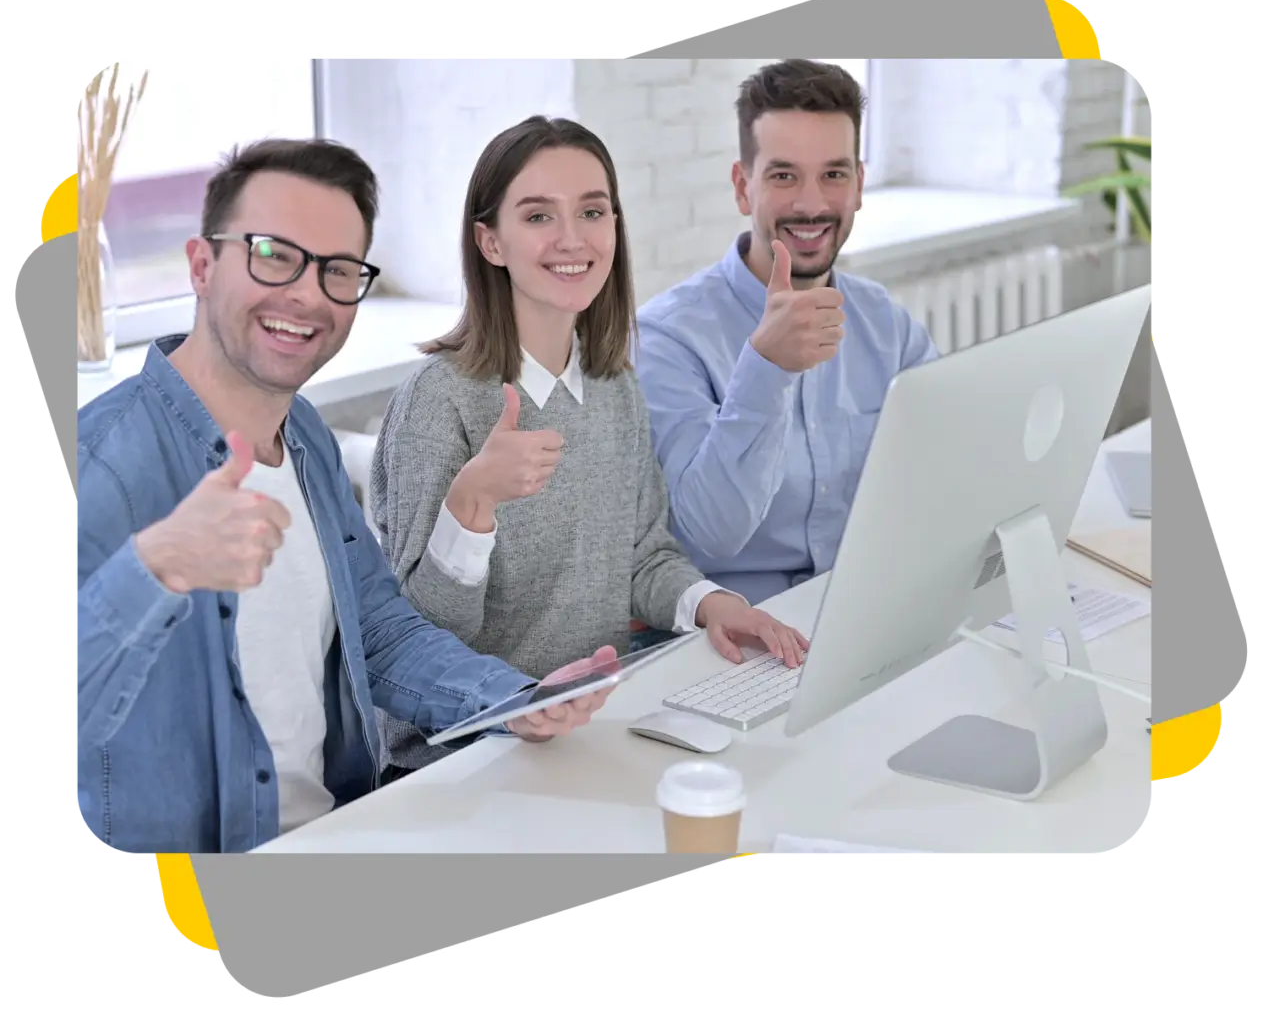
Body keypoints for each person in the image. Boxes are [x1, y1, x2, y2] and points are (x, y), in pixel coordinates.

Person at [74, 138, 618, 861]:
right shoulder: (97, 462)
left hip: (339, 835)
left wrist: (514, 700)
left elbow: (376, 629)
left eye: (337, 270)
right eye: (273, 255)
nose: (307, 295)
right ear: (201, 266)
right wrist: (155, 568)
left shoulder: (303, 435)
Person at [368, 115, 808, 775]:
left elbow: (642, 556)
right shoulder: (439, 400)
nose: (572, 238)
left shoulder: (613, 385)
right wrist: (471, 504)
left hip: (589, 733)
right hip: (465, 761)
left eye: (592, 212)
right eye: (538, 216)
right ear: (490, 242)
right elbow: (414, 648)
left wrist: (714, 605)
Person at [634, 60, 940, 607]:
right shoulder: (667, 339)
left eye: (833, 175)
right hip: (743, 625)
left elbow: (947, 468)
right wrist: (765, 370)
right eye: (783, 176)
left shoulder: (885, 324)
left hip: (868, 603)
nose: (811, 204)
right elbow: (708, 535)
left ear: (859, 184)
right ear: (742, 187)